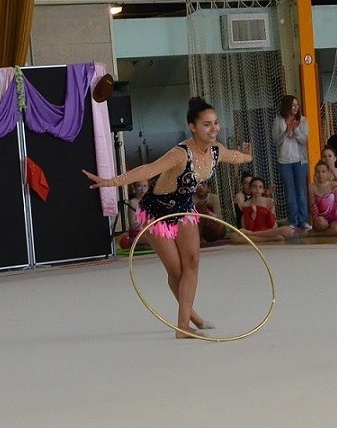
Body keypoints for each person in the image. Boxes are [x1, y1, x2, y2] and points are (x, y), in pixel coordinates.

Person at [84, 97, 253, 338]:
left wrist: (247, 157)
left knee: (192, 262)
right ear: (192, 127)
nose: (213, 128)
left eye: (215, 123)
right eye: (206, 124)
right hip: (156, 212)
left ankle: (183, 324)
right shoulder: (180, 154)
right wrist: (111, 182)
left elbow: (234, 156)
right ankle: (191, 318)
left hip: (183, 209)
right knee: (176, 271)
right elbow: (148, 169)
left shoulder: (216, 151)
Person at [272, 95, 310, 231]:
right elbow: (276, 141)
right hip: (284, 161)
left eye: (297, 105)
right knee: (290, 192)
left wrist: (295, 129)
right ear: (287, 106)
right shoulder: (278, 120)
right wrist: (286, 131)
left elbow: (304, 140)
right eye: (293, 105)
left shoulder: (303, 120)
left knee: (301, 191)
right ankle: (293, 221)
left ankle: (303, 221)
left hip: (300, 161)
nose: (295, 108)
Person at [232, 175, 295, 243]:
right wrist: (253, 214)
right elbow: (249, 228)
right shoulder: (246, 204)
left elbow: (271, 224)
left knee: (288, 230)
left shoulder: (269, 201)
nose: (257, 189)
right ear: (250, 189)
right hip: (253, 232)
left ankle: (256, 236)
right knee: (234, 236)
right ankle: (268, 239)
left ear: (263, 190)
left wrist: (269, 210)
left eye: (260, 187)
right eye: (254, 186)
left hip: (267, 232)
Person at [308, 158, 337, 237]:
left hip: (334, 218)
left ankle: (319, 234)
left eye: (323, 172)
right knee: (320, 223)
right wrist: (313, 226)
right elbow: (313, 207)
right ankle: (325, 231)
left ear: (328, 173)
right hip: (321, 218)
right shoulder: (312, 187)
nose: (320, 174)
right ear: (315, 173)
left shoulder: (334, 185)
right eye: (318, 172)